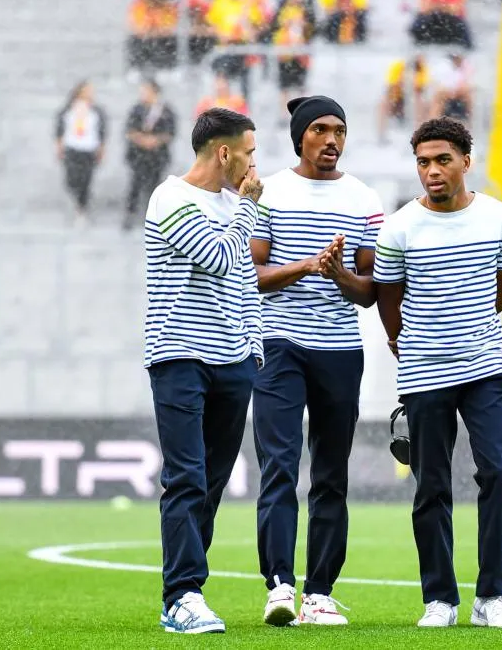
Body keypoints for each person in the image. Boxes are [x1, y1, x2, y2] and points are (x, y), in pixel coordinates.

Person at [374, 117, 502, 629]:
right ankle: (440, 598)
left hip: (487, 366)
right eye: (423, 162)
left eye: (442, 160)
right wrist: (410, 346)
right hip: (423, 374)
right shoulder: (398, 227)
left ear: (466, 160)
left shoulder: (501, 219)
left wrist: (469, 330)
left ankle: (492, 596)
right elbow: (388, 303)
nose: (432, 171)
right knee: (431, 486)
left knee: (500, 471)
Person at [251, 95, 384, 627]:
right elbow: (253, 276)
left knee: (330, 475)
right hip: (278, 344)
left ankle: (320, 592)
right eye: (321, 130)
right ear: (300, 137)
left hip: (339, 350)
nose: (332, 139)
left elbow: (369, 291)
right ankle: (280, 586)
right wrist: (307, 265)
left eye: (340, 130)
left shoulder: (364, 200)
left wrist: (337, 275)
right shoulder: (271, 194)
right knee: (279, 467)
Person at [145, 107, 264, 634]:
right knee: (186, 478)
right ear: (224, 152)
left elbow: (242, 279)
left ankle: (185, 591)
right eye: (250, 151)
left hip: (233, 361)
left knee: (211, 483)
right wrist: (248, 210)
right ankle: (184, 595)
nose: (254, 162)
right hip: (180, 358)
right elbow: (218, 257)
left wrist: (253, 348)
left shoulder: (232, 205)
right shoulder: (171, 198)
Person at [124, 78, 177, 230]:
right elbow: (130, 130)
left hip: (157, 156)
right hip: (138, 155)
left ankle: (154, 217)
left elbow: (170, 132)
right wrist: (142, 140)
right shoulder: (137, 109)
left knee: (155, 186)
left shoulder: (165, 111)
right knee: (135, 184)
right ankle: (130, 214)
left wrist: (155, 140)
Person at [54, 80, 107, 222]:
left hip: (89, 149)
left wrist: (101, 149)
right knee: (71, 178)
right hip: (72, 148)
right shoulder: (68, 110)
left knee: (86, 179)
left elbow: (101, 131)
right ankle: (76, 199)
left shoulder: (96, 111)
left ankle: (82, 207)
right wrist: (59, 146)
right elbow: (60, 129)